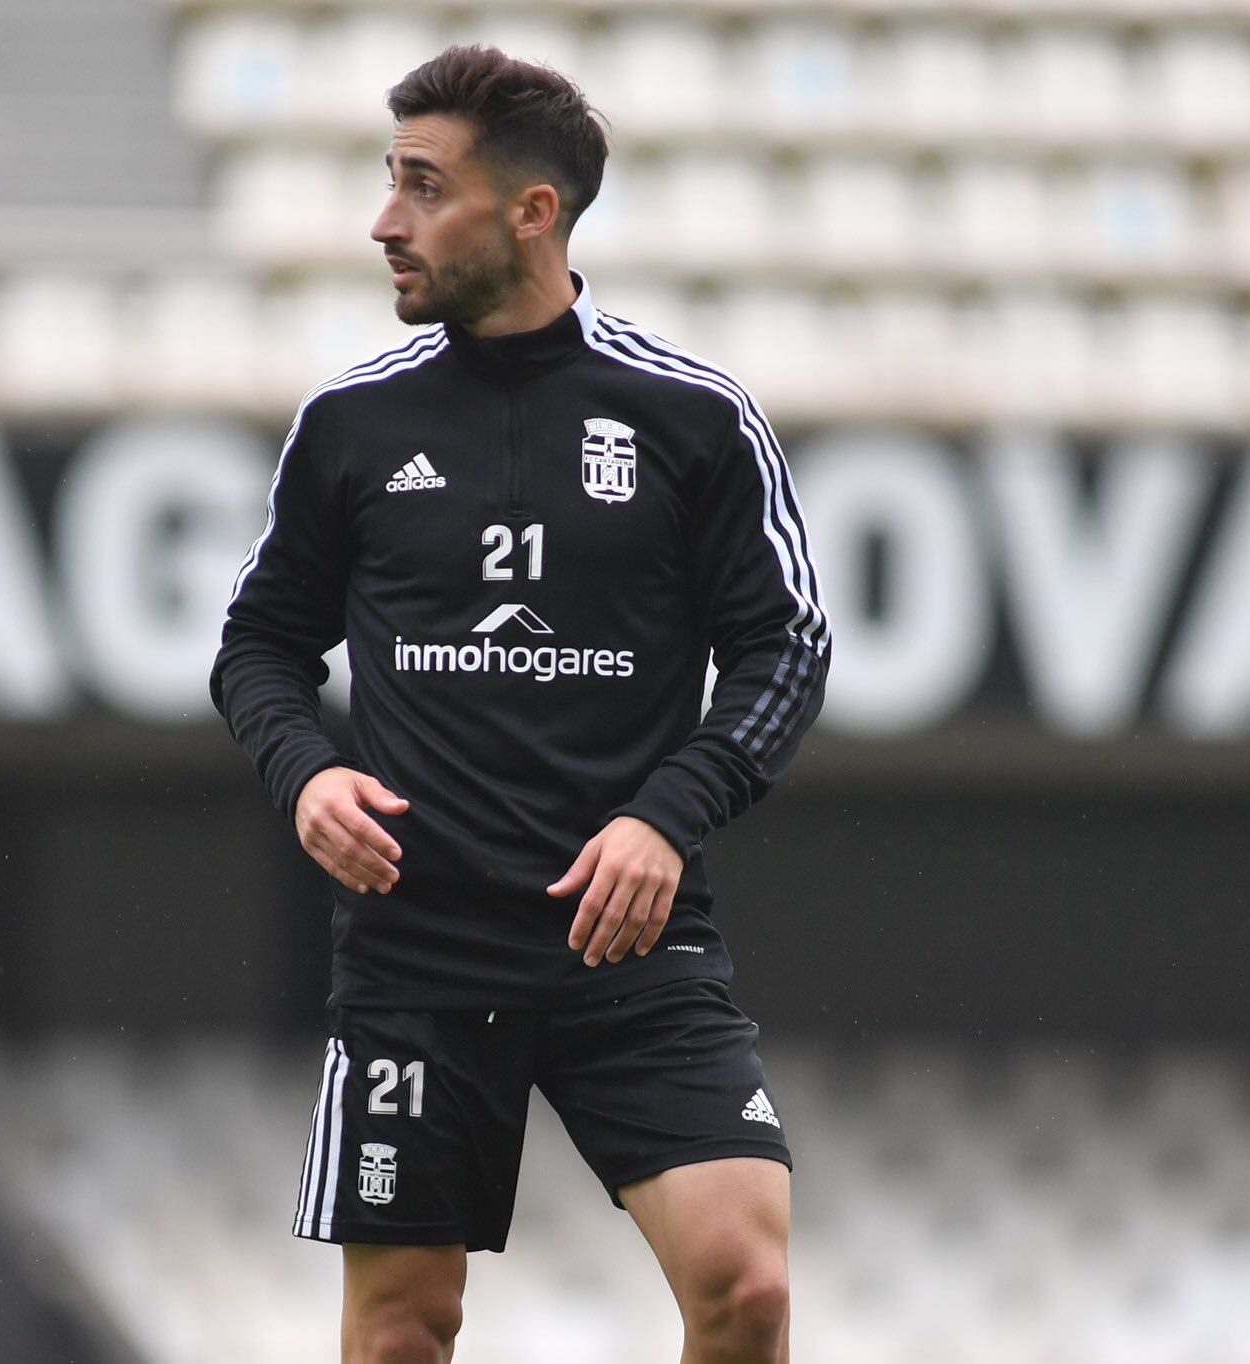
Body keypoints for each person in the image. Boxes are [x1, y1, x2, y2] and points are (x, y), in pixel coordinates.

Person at [210, 45, 828, 1364]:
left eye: (422, 188)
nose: (386, 222)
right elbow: (259, 645)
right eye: (389, 185)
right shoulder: (351, 426)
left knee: (749, 1289)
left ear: (532, 211)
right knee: (402, 1334)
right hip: (418, 952)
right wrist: (306, 773)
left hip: (627, 949)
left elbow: (788, 649)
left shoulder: (691, 417)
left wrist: (668, 818)